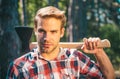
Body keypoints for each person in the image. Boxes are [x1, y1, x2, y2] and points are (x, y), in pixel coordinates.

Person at [6, 6, 115, 79]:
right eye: (42, 31)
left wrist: (99, 52)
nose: (46, 38)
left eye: (53, 31)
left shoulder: (74, 58)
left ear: (61, 32)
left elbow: (109, 77)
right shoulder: (18, 67)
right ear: (35, 30)